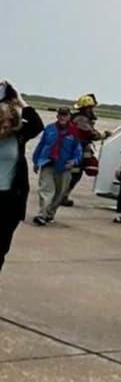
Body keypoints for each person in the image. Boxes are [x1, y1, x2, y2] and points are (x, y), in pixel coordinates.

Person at [0, 82, 44, 272]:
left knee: (0, 250)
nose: (2, 130)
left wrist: (19, 101)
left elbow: (37, 124)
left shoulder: (18, 137)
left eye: (6, 126)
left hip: (9, 201)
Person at [32, 107, 82, 225]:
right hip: (48, 163)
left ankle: (50, 213)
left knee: (60, 193)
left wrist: (74, 161)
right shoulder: (49, 129)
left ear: (69, 117)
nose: (62, 117)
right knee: (46, 190)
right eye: (60, 115)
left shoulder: (74, 132)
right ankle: (42, 214)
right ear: (57, 116)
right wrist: (36, 161)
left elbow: (78, 150)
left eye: (65, 115)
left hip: (64, 166)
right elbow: (41, 145)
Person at [60, 94, 108, 207]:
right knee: (74, 173)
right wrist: (103, 135)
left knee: (78, 172)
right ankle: (62, 196)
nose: (92, 110)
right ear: (86, 108)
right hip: (76, 149)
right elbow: (89, 133)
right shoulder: (81, 120)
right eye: (91, 108)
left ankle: (63, 195)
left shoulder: (81, 118)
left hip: (79, 148)